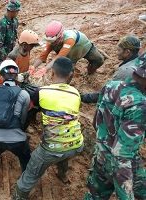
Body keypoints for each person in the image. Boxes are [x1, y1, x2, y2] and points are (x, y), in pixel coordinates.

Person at [13, 57, 84, 200]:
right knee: (64, 152)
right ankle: (62, 175)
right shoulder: (76, 93)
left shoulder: (41, 91)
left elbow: (28, 109)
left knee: (30, 174)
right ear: (71, 75)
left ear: (52, 73)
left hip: (51, 148)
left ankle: (19, 196)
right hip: (77, 144)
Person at [84, 53, 146, 200]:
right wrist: (125, 194)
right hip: (124, 164)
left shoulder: (111, 86)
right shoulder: (139, 104)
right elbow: (122, 155)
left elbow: (96, 122)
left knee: (94, 196)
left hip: (101, 156)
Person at [81, 35, 141, 103]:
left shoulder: (125, 70)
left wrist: (84, 97)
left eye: (119, 50)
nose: (117, 53)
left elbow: (108, 92)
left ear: (127, 52)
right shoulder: (141, 60)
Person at [33, 20, 104, 75]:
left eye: (54, 41)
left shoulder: (69, 38)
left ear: (60, 36)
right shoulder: (51, 41)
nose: (52, 43)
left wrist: (45, 69)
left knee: (99, 60)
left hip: (84, 48)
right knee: (67, 73)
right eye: (49, 41)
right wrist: (33, 67)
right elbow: (42, 56)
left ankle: (90, 73)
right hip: (70, 55)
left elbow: (59, 57)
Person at [0, 0, 21, 67]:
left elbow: (15, 36)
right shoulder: (1, 23)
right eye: (17, 11)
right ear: (11, 11)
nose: (17, 13)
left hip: (12, 54)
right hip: (2, 58)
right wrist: (7, 58)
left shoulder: (15, 21)